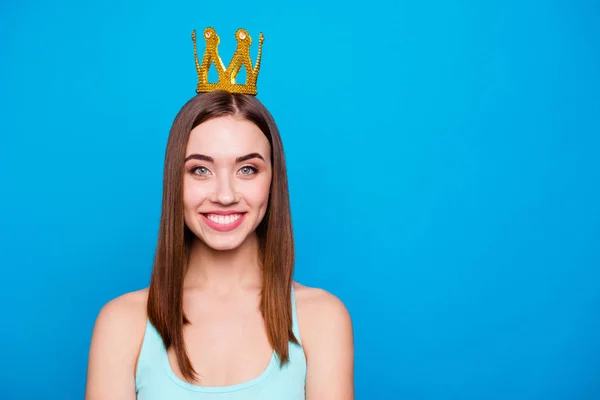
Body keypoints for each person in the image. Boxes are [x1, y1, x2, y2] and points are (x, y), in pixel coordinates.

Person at [85, 27, 354, 400]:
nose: (225, 195)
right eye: (200, 169)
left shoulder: (322, 319)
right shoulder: (122, 324)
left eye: (247, 169)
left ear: (273, 181)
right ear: (174, 182)